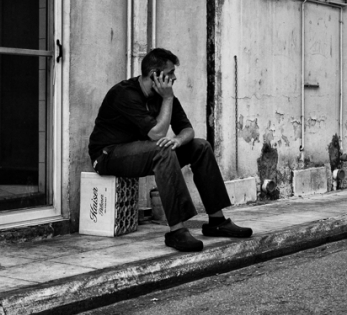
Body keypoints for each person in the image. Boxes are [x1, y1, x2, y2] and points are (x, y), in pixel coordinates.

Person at [88, 48, 252, 252]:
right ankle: (177, 231)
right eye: (171, 72)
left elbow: (187, 130)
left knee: (200, 146)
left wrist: (178, 141)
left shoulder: (163, 96)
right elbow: (157, 134)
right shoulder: (125, 94)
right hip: (107, 155)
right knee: (162, 150)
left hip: (141, 153)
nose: (174, 77)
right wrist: (167, 99)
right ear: (155, 75)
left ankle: (217, 221)